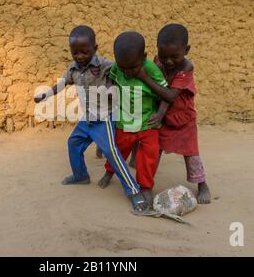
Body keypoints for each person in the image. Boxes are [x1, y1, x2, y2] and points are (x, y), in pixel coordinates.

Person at [34, 25, 149, 214]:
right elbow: (61, 84)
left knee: (112, 154)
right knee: (73, 143)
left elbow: (122, 69)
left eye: (84, 52)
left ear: (95, 48)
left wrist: (116, 87)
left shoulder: (103, 65)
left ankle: (134, 191)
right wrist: (45, 95)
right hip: (87, 119)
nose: (79, 56)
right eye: (75, 52)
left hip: (104, 119)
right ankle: (80, 176)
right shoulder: (73, 69)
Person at [133, 24, 211, 204]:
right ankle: (146, 186)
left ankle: (202, 184)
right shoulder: (157, 61)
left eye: (174, 56)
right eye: (163, 55)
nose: (168, 61)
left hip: (183, 118)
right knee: (154, 150)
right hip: (163, 117)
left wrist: (144, 77)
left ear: (187, 50)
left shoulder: (186, 67)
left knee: (191, 154)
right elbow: (157, 87)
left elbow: (169, 95)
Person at [98, 31, 169, 205]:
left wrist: (160, 114)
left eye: (133, 68)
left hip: (147, 123)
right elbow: (110, 79)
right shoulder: (117, 67)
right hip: (125, 122)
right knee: (118, 151)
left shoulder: (151, 69)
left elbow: (166, 94)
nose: (128, 72)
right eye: (124, 68)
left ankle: (145, 187)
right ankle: (109, 171)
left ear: (143, 57)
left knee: (149, 155)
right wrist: (109, 90)